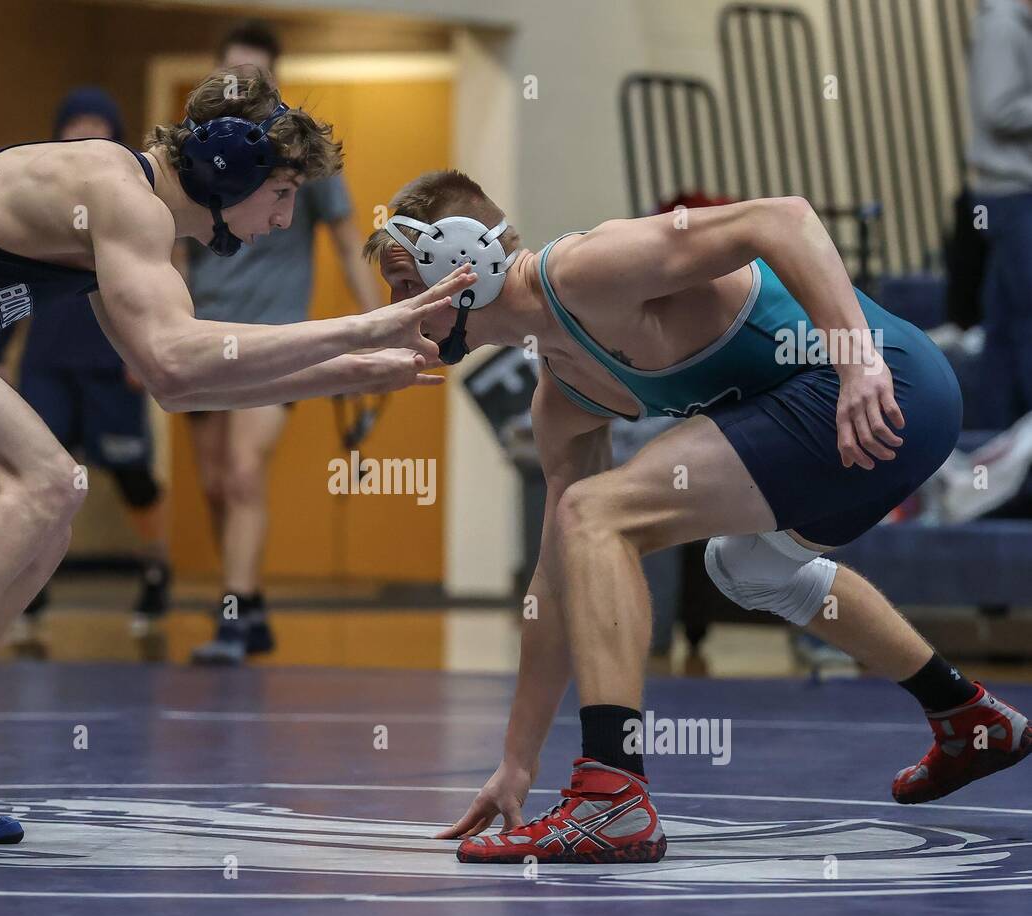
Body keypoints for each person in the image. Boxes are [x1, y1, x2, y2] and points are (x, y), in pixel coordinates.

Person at [0, 66, 469, 844]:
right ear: (233, 167)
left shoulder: (119, 214)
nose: (286, 220)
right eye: (283, 193)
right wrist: (359, 329)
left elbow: (174, 384)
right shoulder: (122, 195)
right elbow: (183, 357)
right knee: (50, 481)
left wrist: (348, 372)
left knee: (25, 534)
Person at [365, 170, 1031, 864]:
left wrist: (859, 362)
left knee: (598, 512)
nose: (396, 311)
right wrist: (516, 763)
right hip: (870, 422)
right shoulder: (565, 395)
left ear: (464, 266)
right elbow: (554, 584)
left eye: (407, 287)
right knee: (738, 565)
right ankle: (967, 715)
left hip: (879, 387)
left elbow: (784, 217)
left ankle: (611, 797)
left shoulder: (586, 269)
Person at [182, 20, 384, 665]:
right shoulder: (193, 148)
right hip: (203, 333)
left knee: (244, 472)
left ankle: (233, 617)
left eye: (258, 77)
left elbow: (348, 240)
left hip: (274, 334)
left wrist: (378, 324)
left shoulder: (298, 150)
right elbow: (173, 244)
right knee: (215, 484)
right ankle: (251, 601)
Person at [18, 87, 173, 635]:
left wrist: (145, 351)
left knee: (130, 472)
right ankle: (29, 585)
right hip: (48, 359)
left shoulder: (135, 198)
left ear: (115, 134)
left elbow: (155, 279)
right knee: (38, 472)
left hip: (112, 357)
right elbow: (7, 276)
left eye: (96, 125)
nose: (84, 135)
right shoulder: (31, 192)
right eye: (74, 124)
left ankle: (156, 569)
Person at [968, 0, 1032, 427]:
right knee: (1023, 323)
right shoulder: (1004, 25)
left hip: (1009, 194)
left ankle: (997, 439)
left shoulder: (1012, 23)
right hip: (1011, 195)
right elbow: (997, 108)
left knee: (1005, 326)